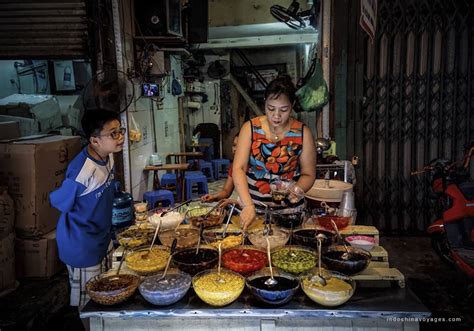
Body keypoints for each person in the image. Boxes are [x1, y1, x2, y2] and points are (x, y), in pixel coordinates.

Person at [49, 109, 126, 310]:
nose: (121, 137)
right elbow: (58, 201)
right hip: (82, 243)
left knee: (107, 291)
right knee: (90, 304)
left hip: (101, 236)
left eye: (120, 130)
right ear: (94, 141)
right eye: (113, 133)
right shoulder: (82, 171)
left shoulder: (107, 156)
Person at [233, 75, 316, 230]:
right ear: (264, 102)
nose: (276, 115)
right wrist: (248, 205)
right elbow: (238, 168)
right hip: (253, 210)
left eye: (283, 110)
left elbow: (309, 174)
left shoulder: (303, 133)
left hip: (290, 213)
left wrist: (297, 190)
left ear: (292, 106)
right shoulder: (250, 128)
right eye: (271, 108)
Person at [201, 133, 239, 203]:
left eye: (239, 146)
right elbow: (226, 191)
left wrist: (235, 202)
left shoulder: (256, 169)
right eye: (234, 145)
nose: (234, 149)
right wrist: (213, 197)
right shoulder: (234, 166)